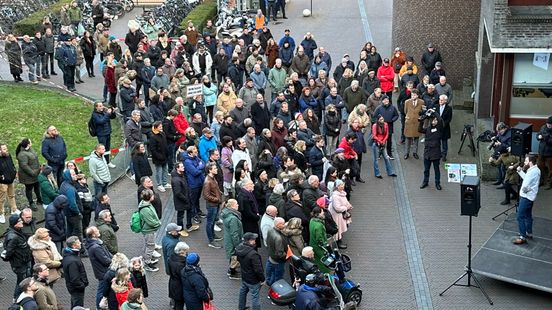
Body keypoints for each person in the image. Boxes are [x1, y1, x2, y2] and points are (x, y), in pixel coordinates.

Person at [513, 154, 541, 245]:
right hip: (530, 197)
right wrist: (520, 172)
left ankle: (522, 236)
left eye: (526, 161)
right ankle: (528, 232)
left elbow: (526, 185)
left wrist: (523, 191)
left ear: (530, 162)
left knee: (520, 216)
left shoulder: (532, 172)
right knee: (528, 215)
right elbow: (527, 180)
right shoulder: (535, 170)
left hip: (526, 198)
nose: (524, 162)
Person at [84, 226, 113, 309]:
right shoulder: (96, 247)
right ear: (93, 235)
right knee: (101, 291)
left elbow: (107, 254)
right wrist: (114, 261)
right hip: (103, 272)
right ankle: (99, 307)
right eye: (96, 231)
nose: (98, 231)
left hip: (102, 271)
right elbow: (105, 260)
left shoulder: (97, 243)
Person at [5, 214, 33, 300]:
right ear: (15, 224)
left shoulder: (18, 231)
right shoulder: (13, 237)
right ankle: (16, 298)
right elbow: (8, 253)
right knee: (21, 282)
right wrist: (15, 260)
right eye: (19, 221)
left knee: (25, 279)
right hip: (20, 264)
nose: (22, 221)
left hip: (24, 261)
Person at [237, 232, 265, 310]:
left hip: (244, 277)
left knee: (242, 292)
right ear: (249, 241)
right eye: (253, 239)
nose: (255, 241)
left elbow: (238, 260)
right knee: (255, 297)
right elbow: (258, 270)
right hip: (253, 280)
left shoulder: (239, 248)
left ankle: (241, 307)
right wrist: (263, 279)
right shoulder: (253, 254)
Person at [62, 236, 89, 308]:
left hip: (74, 288)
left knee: (75, 305)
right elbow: (74, 278)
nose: (80, 243)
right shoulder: (72, 261)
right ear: (74, 245)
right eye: (78, 242)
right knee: (78, 306)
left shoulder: (70, 255)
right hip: (76, 289)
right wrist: (81, 285)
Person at [138, 189, 162, 272]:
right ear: (149, 197)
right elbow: (150, 222)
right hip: (149, 230)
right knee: (150, 246)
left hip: (149, 229)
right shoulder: (145, 209)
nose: (154, 196)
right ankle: (147, 263)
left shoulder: (146, 205)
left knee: (148, 245)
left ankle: (147, 259)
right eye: (152, 195)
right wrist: (158, 223)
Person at [16, 139, 42, 210]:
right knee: (29, 189)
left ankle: (39, 199)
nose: (31, 142)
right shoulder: (22, 154)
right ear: (28, 144)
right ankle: (31, 203)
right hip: (28, 176)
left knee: (37, 186)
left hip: (35, 173)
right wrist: (33, 173)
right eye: (30, 142)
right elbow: (24, 166)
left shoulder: (30, 149)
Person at [420, 115, 444, 190]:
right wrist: (421, 121)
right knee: (426, 169)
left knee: (436, 169)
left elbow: (440, 120)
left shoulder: (439, 129)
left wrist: (434, 112)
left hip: (435, 153)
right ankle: (425, 182)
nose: (435, 121)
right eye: (433, 120)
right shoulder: (428, 129)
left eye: (436, 120)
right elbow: (420, 129)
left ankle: (437, 183)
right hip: (427, 153)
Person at [172, 162, 196, 233]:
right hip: (181, 201)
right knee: (180, 215)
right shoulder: (176, 179)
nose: (184, 168)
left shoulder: (181, 175)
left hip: (186, 199)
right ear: (177, 168)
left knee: (189, 211)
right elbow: (178, 193)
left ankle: (189, 226)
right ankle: (180, 229)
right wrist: (186, 199)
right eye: (182, 167)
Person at [203, 162, 223, 248]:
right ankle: (211, 241)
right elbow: (206, 195)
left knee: (212, 221)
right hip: (212, 205)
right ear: (210, 170)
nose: (217, 169)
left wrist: (219, 193)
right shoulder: (207, 181)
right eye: (215, 168)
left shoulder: (212, 178)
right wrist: (216, 199)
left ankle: (213, 235)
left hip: (215, 204)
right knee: (210, 223)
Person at [91, 102, 117, 166]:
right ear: (96, 107)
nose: (102, 107)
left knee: (107, 149)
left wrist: (113, 112)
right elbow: (101, 121)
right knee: (102, 150)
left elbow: (113, 117)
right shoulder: (94, 115)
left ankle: (107, 162)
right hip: (101, 135)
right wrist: (108, 113)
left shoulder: (104, 112)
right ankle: (102, 163)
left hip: (107, 133)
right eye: (100, 106)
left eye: (102, 105)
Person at [373, 95, 399, 159]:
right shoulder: (379, 108)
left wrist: (392, 120)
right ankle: (380, 153)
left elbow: (396, 115)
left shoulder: (393, 107)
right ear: (382, 101)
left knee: (389, 141)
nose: (386, 101)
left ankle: (389, 154)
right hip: (381, 127)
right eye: (384, 100)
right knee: (380, 141)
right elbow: (374, 115)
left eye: (387, 99)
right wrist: (379, 122)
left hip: (389, 126)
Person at [265, 217, 289, 286]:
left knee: (270, 271)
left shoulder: (270, 230)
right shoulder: (278, 238)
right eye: (283, 224)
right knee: (277, 277)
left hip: (271, 256)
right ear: (278, 225)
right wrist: (287, 255)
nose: (284, 225)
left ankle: (268, 282)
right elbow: (280, 253)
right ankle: (274, 289)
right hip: (278, 261)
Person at [330, 180, 353, 249]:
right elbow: (337, 208)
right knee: (338, 228)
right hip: (337, 215)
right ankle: (338, 242)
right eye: (340, 185)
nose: (342, 186)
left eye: (343, 184)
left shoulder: (341, 193)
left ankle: (339, 239)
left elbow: (345, 201)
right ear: (337, 187)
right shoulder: (335, 196)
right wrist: (345, 208)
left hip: (341, 214)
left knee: (342, 227)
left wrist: (349, 205)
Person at [149, 121, 170, 192]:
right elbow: (152, 149)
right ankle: (159, 184)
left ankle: (164, 182)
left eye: (161, 126)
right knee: (159, 171)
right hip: (158, 158)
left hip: (165, 156)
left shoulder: (163, 134)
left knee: (165, 170)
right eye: (160, 127)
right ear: (156, 127)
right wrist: (159, 156)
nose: (161, 128)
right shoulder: (153, 137)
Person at [0, 143, 19, 223]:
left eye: (6, 148)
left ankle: (14, 209)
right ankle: (1, 214)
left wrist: (14, 172)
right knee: (2, 199)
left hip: (10, 180)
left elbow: (12, 164)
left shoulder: (8, 155)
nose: (6, 150)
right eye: (4, 149)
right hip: (2, 182)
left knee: (12, 195)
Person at [168, 242, 189, 310]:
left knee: (177, 303)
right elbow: (183, 276)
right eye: (186, 252)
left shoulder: (172, 258)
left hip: (173, 284)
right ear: (181, 252)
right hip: (179, 287)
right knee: (179, 304)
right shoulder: (180, 264)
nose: (186, 254)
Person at [403, 90, 424, 160]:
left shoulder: (421, 102)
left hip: (417, 122)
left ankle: (415, 153)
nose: (413, 96)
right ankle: (406, 153)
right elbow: (405, 111)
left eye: (414, 95)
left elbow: (422, 111)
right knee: (408, 138)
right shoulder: (407, 102)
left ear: (417, 95)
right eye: (412, 95)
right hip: (409, 122)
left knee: (416, 138)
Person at [309, 207, 329, 273]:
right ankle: (325, 274)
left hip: (312, 244)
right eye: (322, 212)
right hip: (319, 247)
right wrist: (325, 245)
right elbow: (319, 239)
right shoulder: (319, 225)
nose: (323, 213)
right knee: (323, 261)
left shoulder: (312, 220)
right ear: (318, 214)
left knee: (317, 260)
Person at [537, 116, 552, 189]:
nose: (548, 125)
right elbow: (538, 134)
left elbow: (550, 141)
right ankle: (541, 181)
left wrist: (544, 137)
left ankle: (549, 183)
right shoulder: (543, 127)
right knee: (539, 167)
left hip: (550, 153)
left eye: (550, 124)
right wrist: (538, 136)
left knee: (550, 169)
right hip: (541, 152)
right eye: (548, 123)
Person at [437, 94, 453, 162]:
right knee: (437, 142)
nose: (440, 101)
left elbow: (449, 119)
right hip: (437, 128)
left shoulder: (449, 108)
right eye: (439, 100)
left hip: (444, 128)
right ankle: (438, 153)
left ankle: (444, 155)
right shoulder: (436, 106)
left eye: (441, 100)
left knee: (444, 143)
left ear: (445, 101)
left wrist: (443, 124)